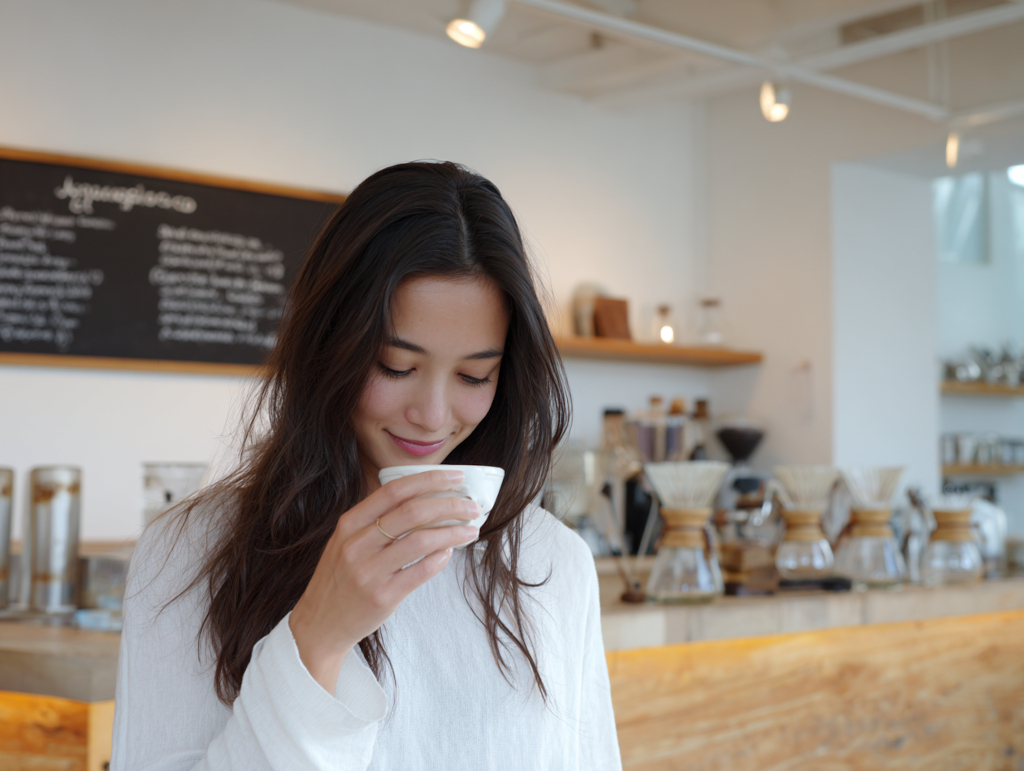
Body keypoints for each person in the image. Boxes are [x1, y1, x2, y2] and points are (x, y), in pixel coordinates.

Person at [111, 161, 622, 770]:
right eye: (394, 367)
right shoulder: (188, 553)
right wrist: (318, 636)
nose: (432, 416)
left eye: (474, 375)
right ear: (329, 345)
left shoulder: (551, 562)